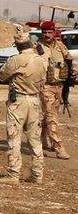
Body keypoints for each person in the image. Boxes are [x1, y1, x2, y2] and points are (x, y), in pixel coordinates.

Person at [0, 27, 47, 184]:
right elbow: (46, 78)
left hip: (18, 102)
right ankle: (37, 174)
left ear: (18, 45)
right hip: (35, 100)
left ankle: (13, 174)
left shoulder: (15, 60)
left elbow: (1, 76)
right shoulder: (41, 60)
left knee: (14, 136)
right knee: (35, 139)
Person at [37, 20, 75, 159]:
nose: (47, 35)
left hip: (59, 86)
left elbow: (69, 59)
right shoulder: (38, 47)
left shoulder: (59, 45)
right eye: (44, 32)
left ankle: (42, 140)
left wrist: (73, 72)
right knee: (51, 116)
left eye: (49, 32)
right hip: (45, 86)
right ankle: (58, 146)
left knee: (50, 115)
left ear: (54, 32)